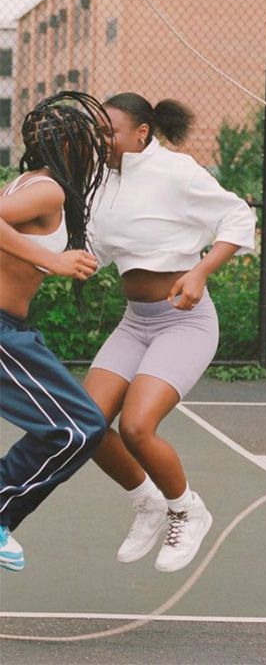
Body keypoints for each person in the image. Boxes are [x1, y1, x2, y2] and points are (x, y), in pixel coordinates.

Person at [85, 93, 255, 573]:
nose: (101, 139)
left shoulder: (177, 172)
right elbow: (93, 248)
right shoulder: (102, 183)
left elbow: (239, 217)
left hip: (184, 321)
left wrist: (200, 271)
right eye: (98, 131)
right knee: (86, 425)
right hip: (135, 322)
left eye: (109, 131)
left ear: (141, 133)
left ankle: (186, 510)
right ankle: (149, 503)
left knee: (136, 427)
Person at [0, 91, 110, 571]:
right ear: (69, 146)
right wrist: (55, 260)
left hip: (12, 330)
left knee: (77, 426)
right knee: (77, 428)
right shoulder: (48, 190)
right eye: (89, 143)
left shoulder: (28, 185)